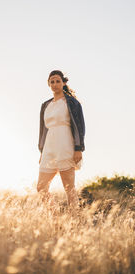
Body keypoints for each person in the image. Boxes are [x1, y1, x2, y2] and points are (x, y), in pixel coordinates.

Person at [37, 70, 85, 209]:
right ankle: (56, 218)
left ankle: (74, 221)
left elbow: (80, 127)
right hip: (49, 146)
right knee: (41, 187)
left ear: (63, 83)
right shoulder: (45, 105)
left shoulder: (72, 103)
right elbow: (43, 130)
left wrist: (78, 148)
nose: (55, 84)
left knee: (69, 188)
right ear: (48, 84)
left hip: (66, 144)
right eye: (52, 81)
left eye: (58, 81)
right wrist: (42, 151)